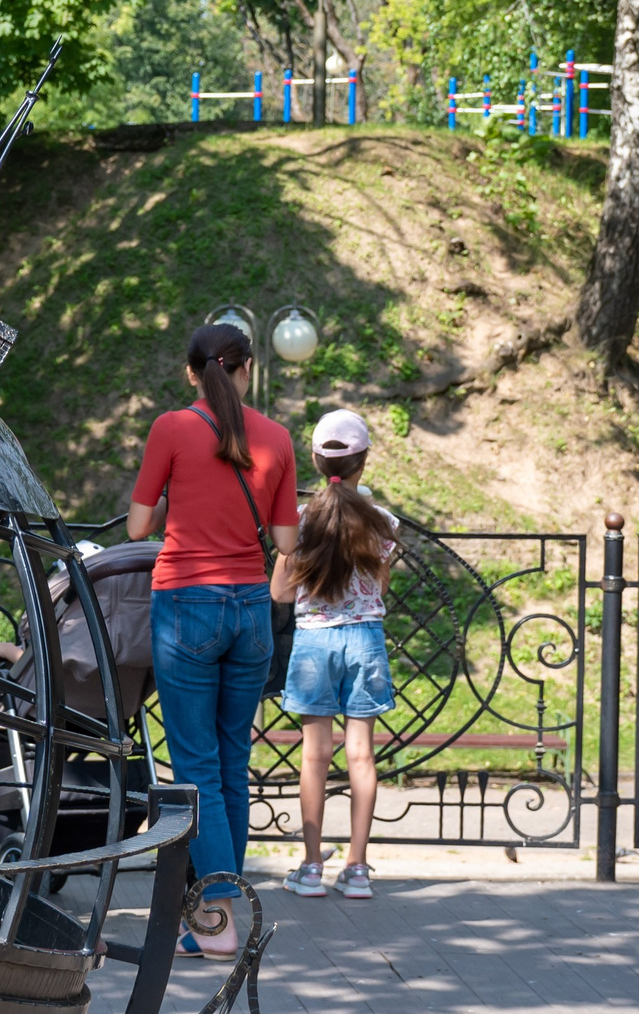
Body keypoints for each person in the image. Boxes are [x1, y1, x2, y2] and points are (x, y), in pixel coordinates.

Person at [128, 322, 298, 958]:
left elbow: (139, 526)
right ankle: (219, 914)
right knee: (231, 764)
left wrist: (178, 501)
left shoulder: (172, 428)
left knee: (196, 767)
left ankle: (218, 920)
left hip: (187, 607)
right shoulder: (277, 437)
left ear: (191, 373)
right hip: (250, 610)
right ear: (248, 368)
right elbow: (285, 541)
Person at [271, 410, 397, 899]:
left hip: (314, 642)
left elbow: (281, 593)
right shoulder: (382, 522)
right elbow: (380, 586)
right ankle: (358, 869)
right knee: (361, 754)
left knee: (314, 755)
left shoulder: (301, 521)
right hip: (365, 639)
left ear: (315, 460)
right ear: (364, 461)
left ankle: (310, 869)